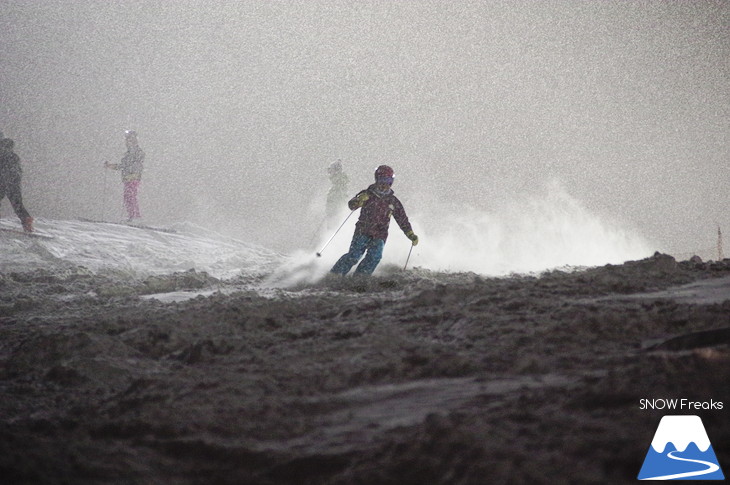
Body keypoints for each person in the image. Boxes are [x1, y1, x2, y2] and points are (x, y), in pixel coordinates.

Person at [330, 165, 418, 275]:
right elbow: (352, 205)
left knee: (375, 256)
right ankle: (335, 274)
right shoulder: (368, 194)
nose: (384, 184)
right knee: (354, 256)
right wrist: (358, 201)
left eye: (388, 181)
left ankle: (360, 278)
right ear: (377, 179)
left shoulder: (392, 201)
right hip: (363, 230)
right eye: (382, 180)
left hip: (380, 234)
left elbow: (402, 219)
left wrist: (410, 234)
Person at [105, 130, 144, 222]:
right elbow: (122, 166)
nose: (127, 142)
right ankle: (133, 216)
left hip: (132, 177)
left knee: (130, 196)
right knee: (128, 196)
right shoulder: (129, 153)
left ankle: (135, 217)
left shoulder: (136, 151)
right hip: (128, 178)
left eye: (129, 139)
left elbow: (129, 164)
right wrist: (110, 166)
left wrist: (131, 170)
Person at [0, 137, 34, 232]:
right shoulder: (14, 157)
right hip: (13, 184)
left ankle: (27, 222)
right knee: (18, 205)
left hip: (4, 183)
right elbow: (18, 172)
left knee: (17, 205)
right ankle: (27, 223)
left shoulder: (3, 157)